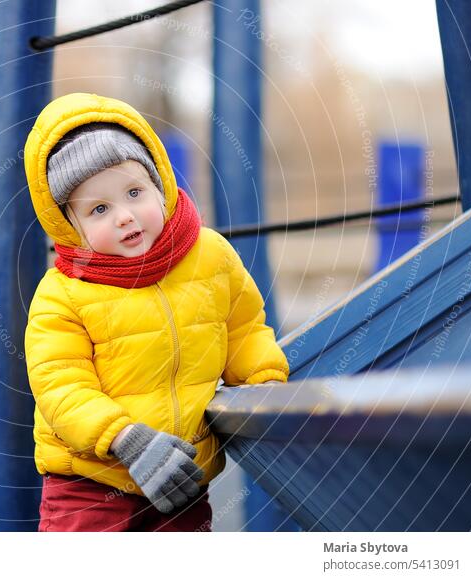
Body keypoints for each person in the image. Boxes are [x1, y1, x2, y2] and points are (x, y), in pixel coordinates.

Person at [22, 93, 289, 532]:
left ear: (160, 183)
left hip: (180, 477)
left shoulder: (210, 256)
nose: (125, 216)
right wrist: (123, 438)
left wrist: (265, 386)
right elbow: (60, 386)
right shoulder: (63, 294)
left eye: (134, 192)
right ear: (70, 224)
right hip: (90, 484)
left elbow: (244, 329)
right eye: (99, 209)